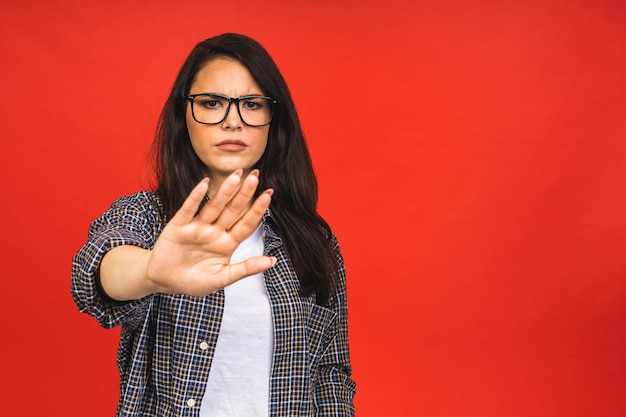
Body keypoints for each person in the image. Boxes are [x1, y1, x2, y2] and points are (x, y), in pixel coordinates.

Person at [71, 33, 356, 416]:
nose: (233, 121)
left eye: (252, 104)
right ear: (183, 117)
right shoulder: (146, 216)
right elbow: (96, 273)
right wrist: (150, 272)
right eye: (211, 103)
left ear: (275, 120)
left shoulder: (313, 240)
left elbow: (330, 372)